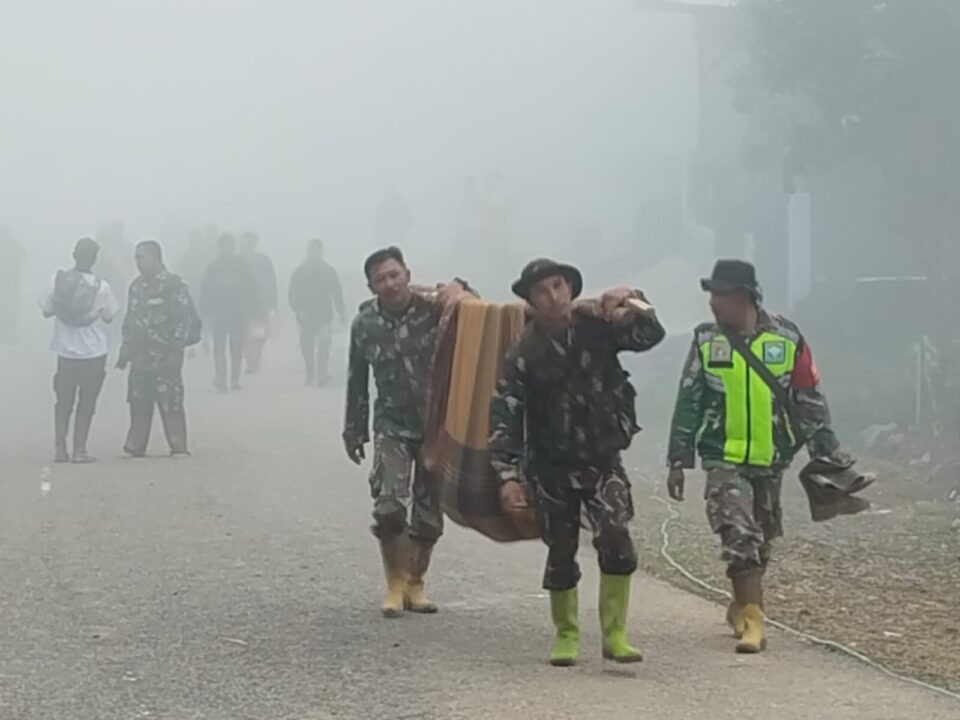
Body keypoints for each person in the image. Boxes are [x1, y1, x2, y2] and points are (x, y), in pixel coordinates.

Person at [489, 258, 665, 667]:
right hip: (551, 465)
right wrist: (508, 477)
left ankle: (615, 634)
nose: (553, 297)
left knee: (617, 537)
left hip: (603, 460)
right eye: (542, 291)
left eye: (558, 286)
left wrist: (634, 300)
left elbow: (649, 335)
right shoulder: (524, 352)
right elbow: (505, 417)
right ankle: (566, 633)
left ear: (569, 288)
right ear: (531, 301)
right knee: (562, 551)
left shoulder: (598, 328)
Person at [665, 259, 847, 654]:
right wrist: (678, 459)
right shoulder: (705, 341)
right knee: (737, 531)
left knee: (762, 537)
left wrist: (828, 453)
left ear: (745, 297)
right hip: (723, 458)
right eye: (711, 295)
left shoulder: (787, 338)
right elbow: (689, 401)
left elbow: (808, 400)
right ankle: (755, 620)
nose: (713, 303)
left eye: (721, 295)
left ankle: (740, 605)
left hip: (771, 459)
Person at [343, 246, 473, 618]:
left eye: (394, 275)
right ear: (371, 287)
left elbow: (474, 310)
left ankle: (417, 583)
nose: (389, 284)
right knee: (389, 507)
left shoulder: (434, 310)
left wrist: (459, 286)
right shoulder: (364, 324)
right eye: (380, 279)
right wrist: (353, 429)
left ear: (407, 274)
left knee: (429, 514)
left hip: (435, 426)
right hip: (391, 425)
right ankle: (395, 583)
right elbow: (357, 379)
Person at [39, 238, 119, 463]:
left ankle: (59, 448)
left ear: (74, 254)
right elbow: (110, 317)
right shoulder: (101, 286)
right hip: (94, 352)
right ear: (95, 259)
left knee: (63, 401)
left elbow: (46, 310)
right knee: (87, 402)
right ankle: (80, 449)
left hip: (65, 351)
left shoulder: (58, 282)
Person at [117, 241, 200, 457]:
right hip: (140, 355)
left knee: (170, 400)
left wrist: (176, 350)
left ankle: (178, 444)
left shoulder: (173, 285)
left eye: (141, 257)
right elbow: (131, 318)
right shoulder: (135, 286)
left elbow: (183, 319)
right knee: (138, 400)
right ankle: (136, 444)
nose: (137, 262)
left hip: (165, 353)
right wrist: (125, 349)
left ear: (156, 257)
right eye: (135, 258)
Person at [199, 234, 258, 391]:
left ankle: (234, 378)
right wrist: (205, 312)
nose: (226, 249)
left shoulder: (242, 266)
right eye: (224, 246)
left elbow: (251, 289)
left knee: (236, 347)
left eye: (229, 246)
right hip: (219, 313)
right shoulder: (213, 267)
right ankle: (221, 377)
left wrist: (252, 310)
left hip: (238, 313)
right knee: (219, 347)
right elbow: (206, 291)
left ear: (233, 248)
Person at [289, 239, 345, 386]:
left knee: (324, 344)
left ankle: (322, 373)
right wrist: (297, 309)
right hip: (305, 315)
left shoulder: (328, 271)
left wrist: (341, 311)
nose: (314, 253)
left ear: (321, 252)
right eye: (312, 250)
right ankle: (310, 371)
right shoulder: (299, 272)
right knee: (306, 347)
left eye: (317, 250)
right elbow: (292, 293)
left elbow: (336, 292)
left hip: (324, 315)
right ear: (308, 251)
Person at [239, 231, 277, 374]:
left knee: (259, 333)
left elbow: (271, 282)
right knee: (243, 333)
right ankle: (250, 361)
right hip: (242, 303)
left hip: (261, 303)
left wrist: (273, 304)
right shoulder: (238, 261)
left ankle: (256, 358)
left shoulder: (263, 261)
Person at [0, 226, 27, 343]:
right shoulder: (14, 245)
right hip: (12, 282)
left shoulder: (14, 245)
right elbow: (25, 258)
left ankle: (8, 331)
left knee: (10, 307)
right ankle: (10, 332)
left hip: (9, 283)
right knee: (12, 307)